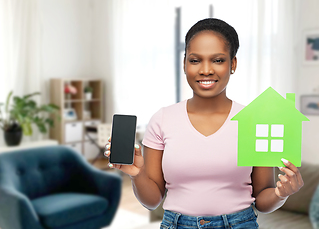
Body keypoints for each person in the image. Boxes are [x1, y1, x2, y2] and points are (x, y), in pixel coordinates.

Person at [104, 18, 304, 229]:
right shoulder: (162, 120)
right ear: (184, 64)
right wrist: (137, 174)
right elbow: (152, 201)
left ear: (232, 64)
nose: (205, 70)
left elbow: (263, 199)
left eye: (217, 60)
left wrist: (281, 194)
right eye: (195, 60)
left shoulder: (254, 121)